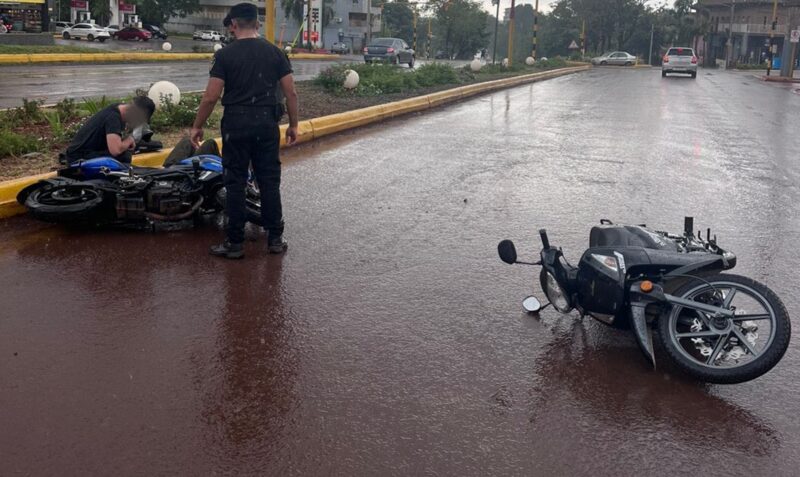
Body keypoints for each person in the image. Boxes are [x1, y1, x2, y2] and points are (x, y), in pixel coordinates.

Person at [191, 2, 299, 259]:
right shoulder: (276, 53)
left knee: (235, 182)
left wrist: (197, 126)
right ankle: (274, 239)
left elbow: (211, 97)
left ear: (234, 25)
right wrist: (294, 124)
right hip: (266, 122)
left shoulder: (225, 55)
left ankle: (235, 243)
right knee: (268, 181)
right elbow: (291, 92)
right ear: (257, 24)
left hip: (236, 123)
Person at [63, 96, 155, 164]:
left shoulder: (119, 110)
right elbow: (115, 150)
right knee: (123, 157)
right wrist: (130, 139)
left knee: (126, 152)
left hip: (87, 152)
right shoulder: (113, 118)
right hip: (78, 158)